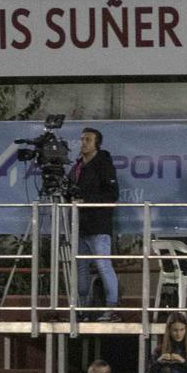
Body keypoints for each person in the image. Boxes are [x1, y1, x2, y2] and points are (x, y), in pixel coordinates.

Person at [68, 127, 121, 318]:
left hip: (98, 225)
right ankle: (82, 308)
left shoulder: (104, 165)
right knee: (80, 267)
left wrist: (87, 200)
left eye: (88, 140)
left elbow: (112, 195)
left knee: (102, 264)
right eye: (82, 139)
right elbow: (70, 190)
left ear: (96, 144)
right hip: (80, 225)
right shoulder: (77, 167)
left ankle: (112, 306)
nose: (83, 143)